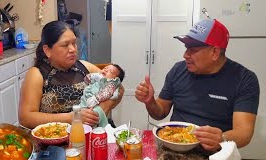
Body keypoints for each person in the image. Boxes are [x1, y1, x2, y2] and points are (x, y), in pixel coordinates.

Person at [135, 19, 260, 152]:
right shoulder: (178, 70)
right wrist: (150, 102)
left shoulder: (244, 79)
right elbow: (160, 113)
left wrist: (222, 138)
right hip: (172, 148)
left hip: (214, 158)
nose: (185, 55)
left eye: (193, 50)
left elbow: (244, 133)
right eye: (186, 49)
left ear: (215, 53)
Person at [18, 21, 124, 129]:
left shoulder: (85, 67)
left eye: (74, 43)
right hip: (53, 140)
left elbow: (118, 87)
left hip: (89, 136)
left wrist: (100, 110)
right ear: (47, 50)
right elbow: (26, 118)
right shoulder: (37, 74)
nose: (73, 49)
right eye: (65, 45)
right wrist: (72, 117)